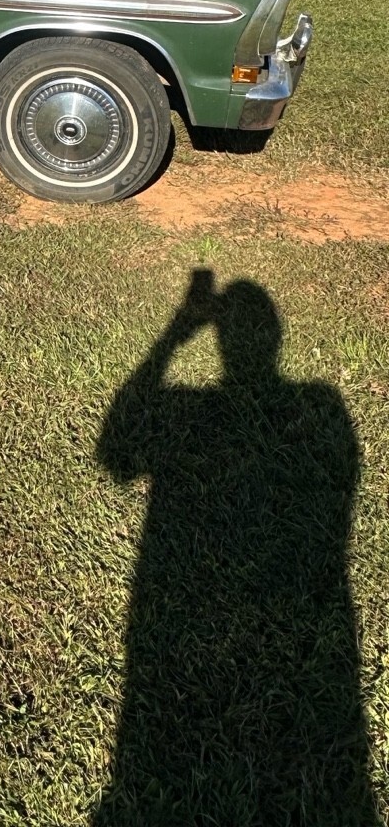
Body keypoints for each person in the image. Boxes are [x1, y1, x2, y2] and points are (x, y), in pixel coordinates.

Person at [94, 269, 377, 824]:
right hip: (312, 636)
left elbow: (116, 454)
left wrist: (174, 335)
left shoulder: (208, 406)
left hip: (173, 634)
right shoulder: (323, 405)